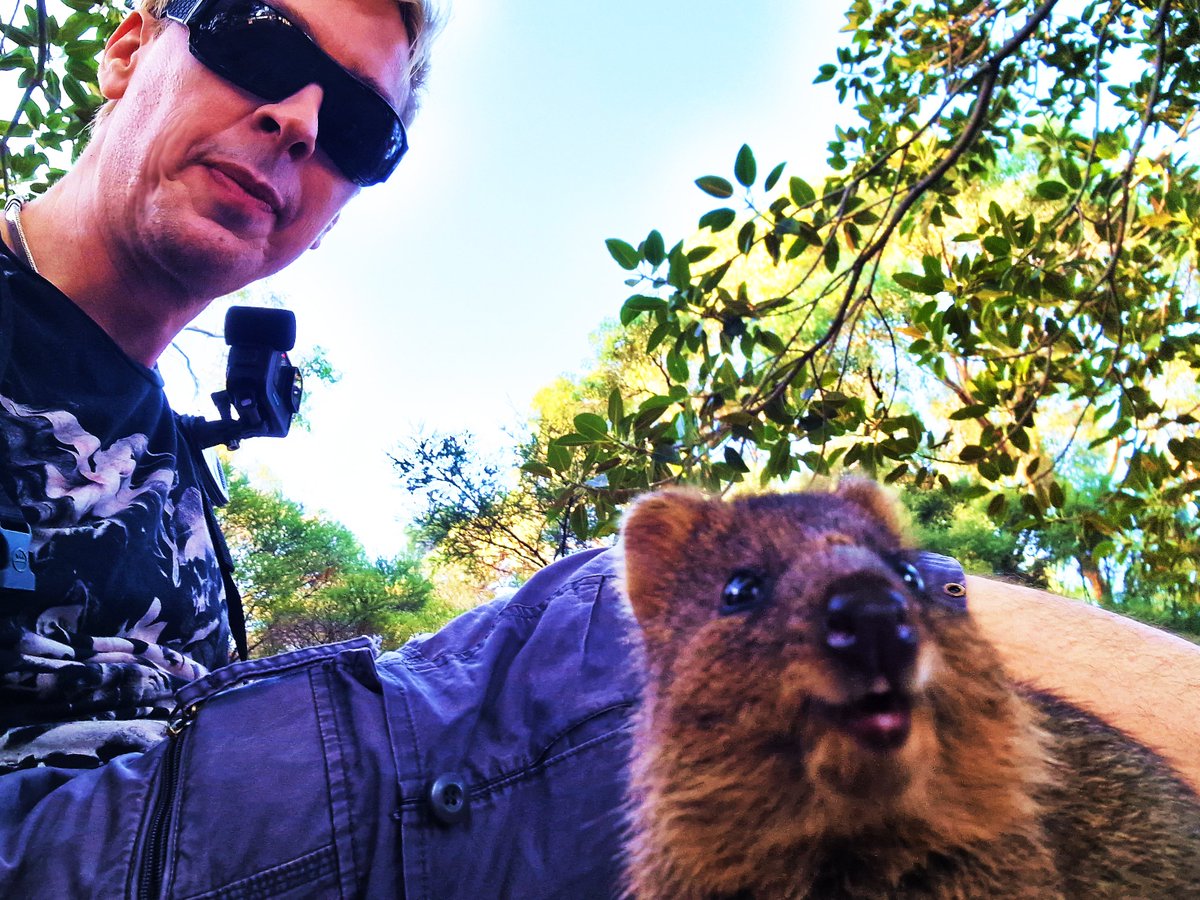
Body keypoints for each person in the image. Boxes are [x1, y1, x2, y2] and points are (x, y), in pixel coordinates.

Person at [0, 0, 1196, 896]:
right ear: (126, 47)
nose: (298, 119)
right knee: (632, 649)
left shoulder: (164, 454)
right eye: (261, 42)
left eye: (359, 127)